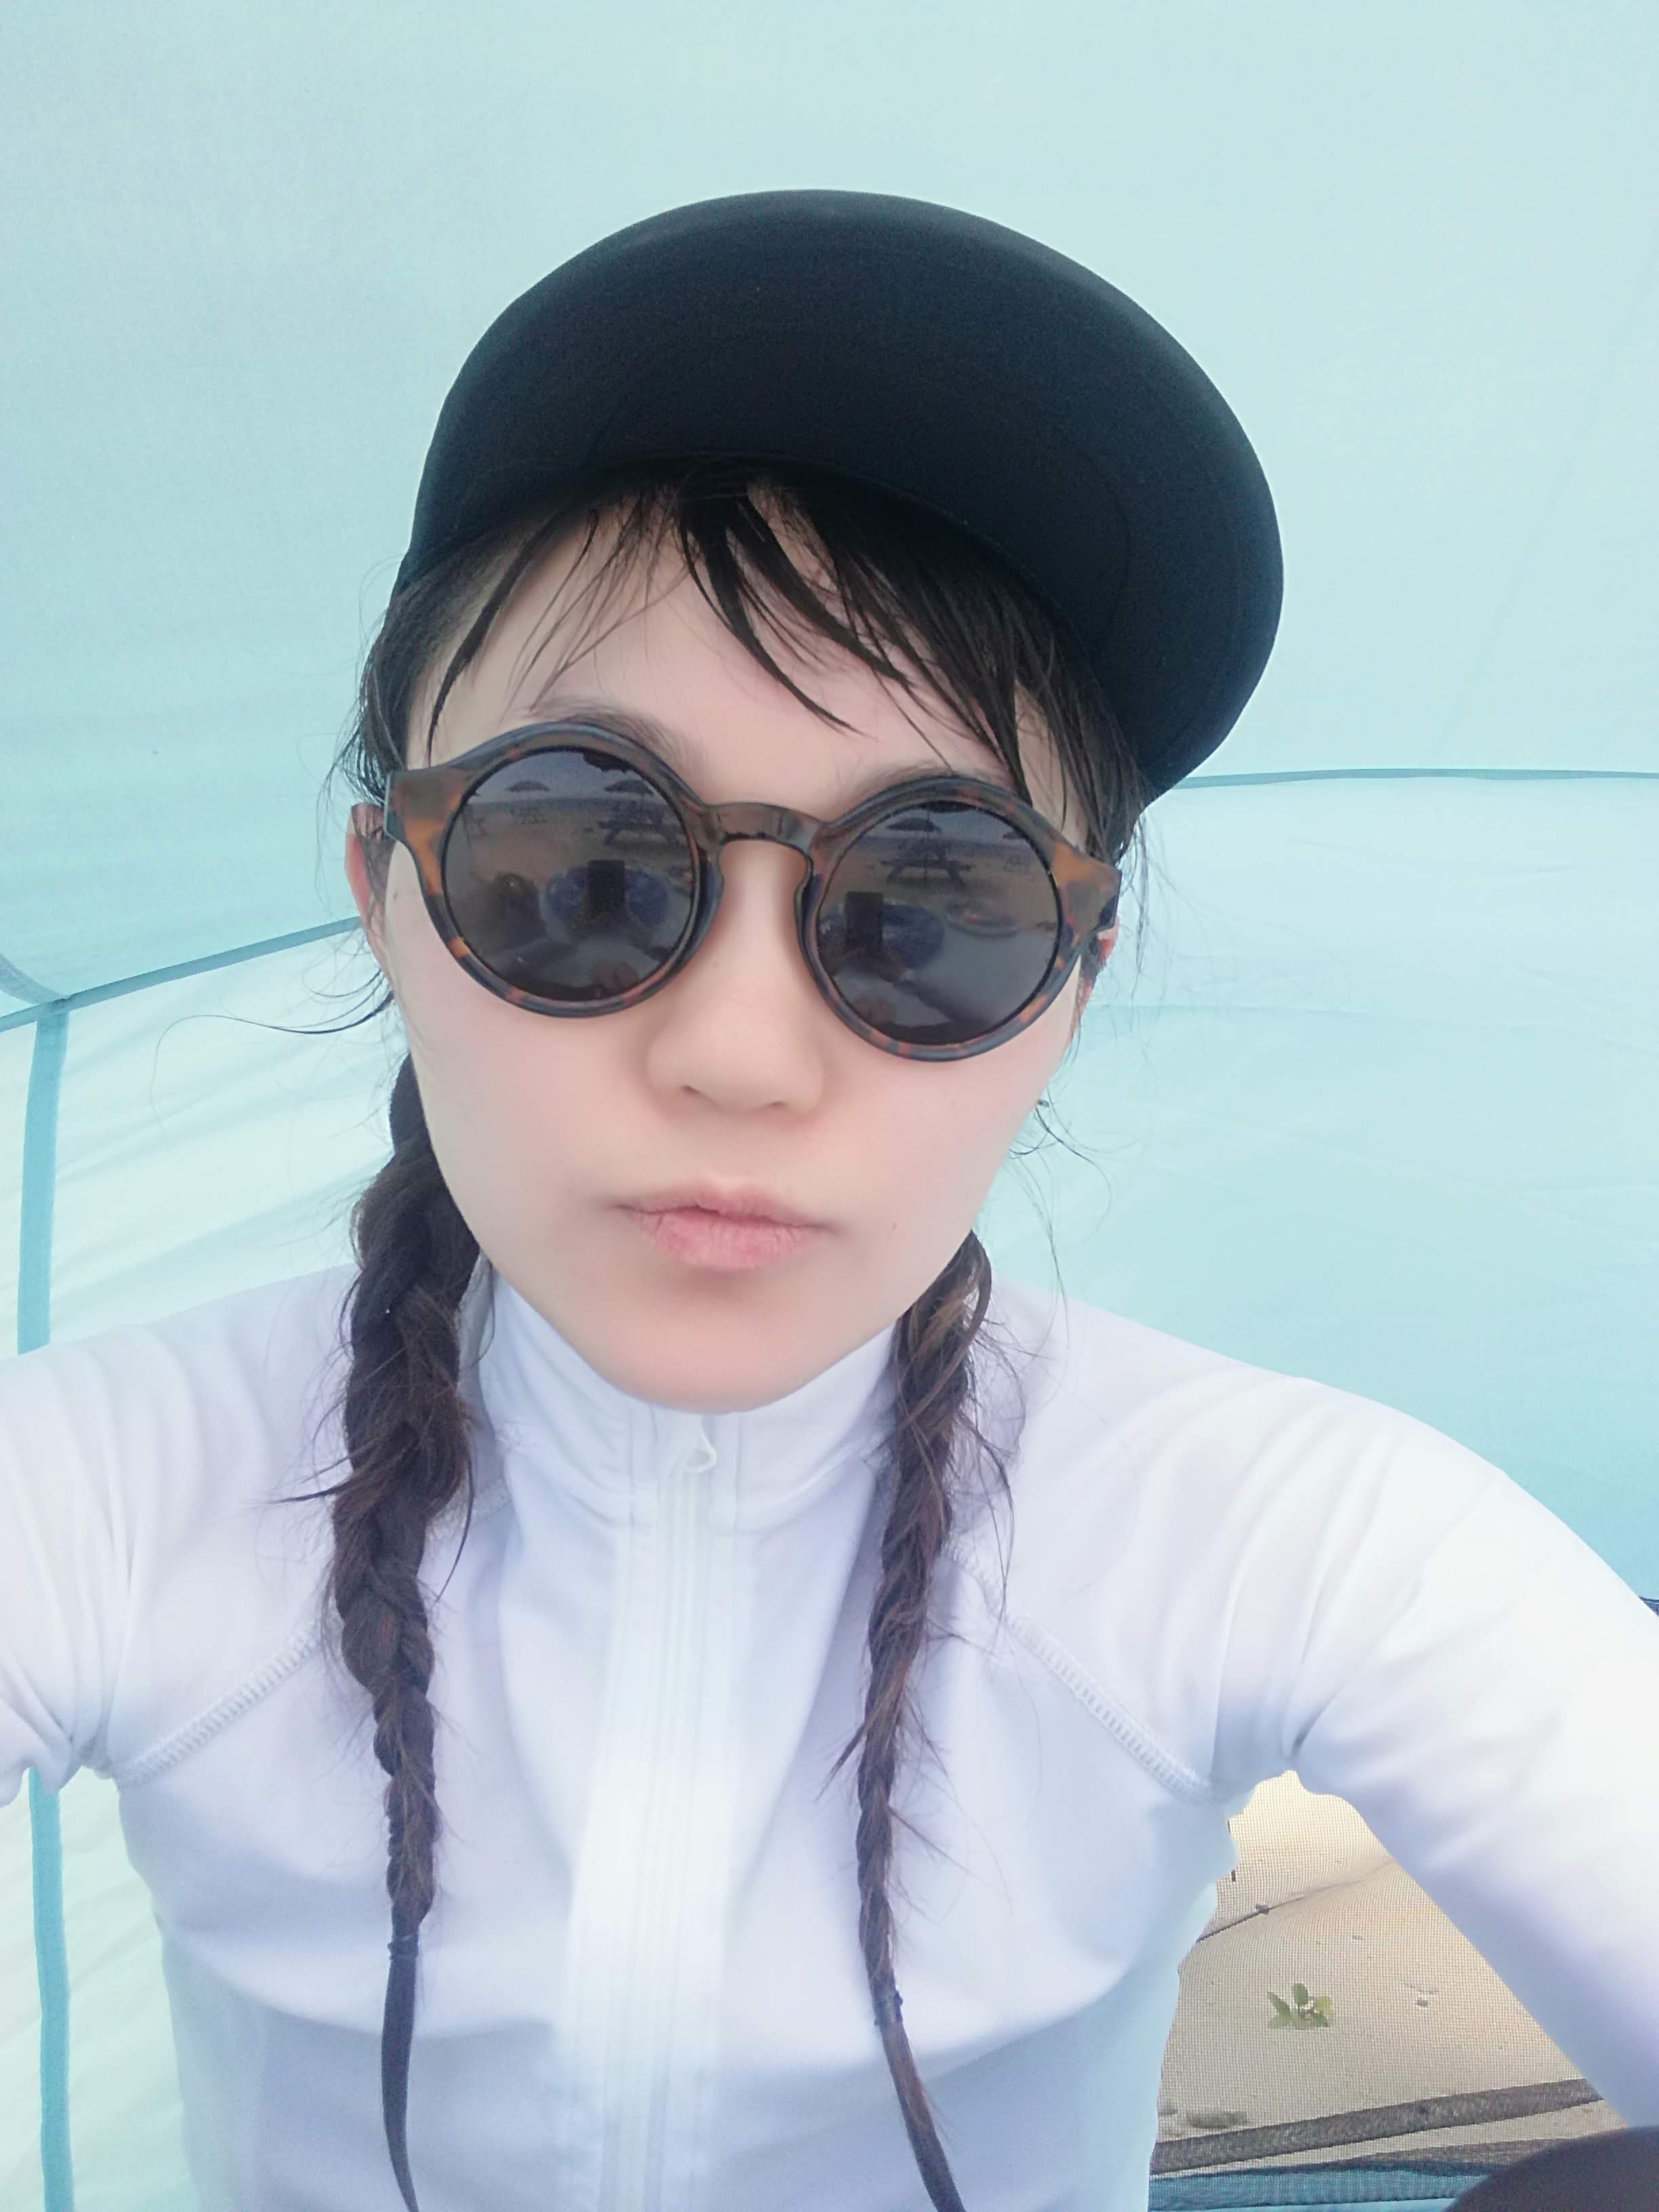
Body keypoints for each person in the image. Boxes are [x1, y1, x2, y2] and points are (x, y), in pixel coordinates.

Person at [3, 190, 1658, 2212]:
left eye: (937, 904)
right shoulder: (105, 1489)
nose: (740, 1053)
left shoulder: (1278, 1531)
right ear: (386, 898)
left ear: (1070, 987)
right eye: (575, 860)